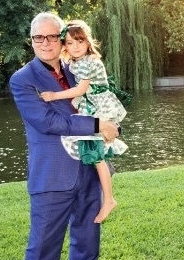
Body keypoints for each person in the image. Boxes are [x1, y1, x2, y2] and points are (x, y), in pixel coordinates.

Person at [5, 12, 121, 260]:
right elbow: (47, 121)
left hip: (87, 172)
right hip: (51, 178)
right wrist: (97, 122)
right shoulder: (23, 80)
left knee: (87, 244)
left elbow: (102, 96)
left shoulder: (79, 65)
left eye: (50, 37)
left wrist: (109, 123)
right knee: (41, 254)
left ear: (62, 37)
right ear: (32, 41)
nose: (44, 43)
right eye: (37, 38)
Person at [39, 20, 129, 225]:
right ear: (65, 46)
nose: (76, 46)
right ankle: (97, 193)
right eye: (70, 43)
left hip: (100, 106)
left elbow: (79, 90)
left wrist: (54, 96)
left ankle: (109, 199)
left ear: (88, 42)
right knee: (91, 150)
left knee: (96, 154)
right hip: (90, 105)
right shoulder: (75, 62)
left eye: (79, 41)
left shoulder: (91, 62)